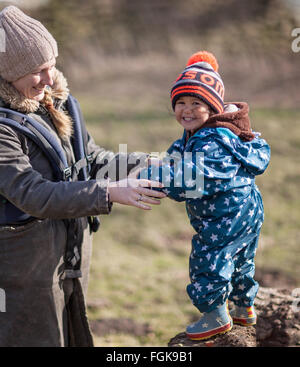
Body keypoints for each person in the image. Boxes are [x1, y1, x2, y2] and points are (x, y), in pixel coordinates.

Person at [0, 6, 166, 347]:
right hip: (23, 269)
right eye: (36, 71)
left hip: (69, 256)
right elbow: (32, 193)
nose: (48, 79)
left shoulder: (60, 102)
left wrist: (145, 163)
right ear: (6, 74)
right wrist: (107, 193)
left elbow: (90, 159)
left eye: (52, 65)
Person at [142, 51, 270, 340]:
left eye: (196, 103)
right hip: (244, 209)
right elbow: (178, 156)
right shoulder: (201, 134)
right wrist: (158, 163)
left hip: (225, 216)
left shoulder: (212, 141)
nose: (186, 110)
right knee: (239, 259)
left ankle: (215, 315)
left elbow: (194, 178)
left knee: (209, 260)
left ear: (212, 108)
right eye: (181, 103)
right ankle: (243, 306)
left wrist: (156, 178)